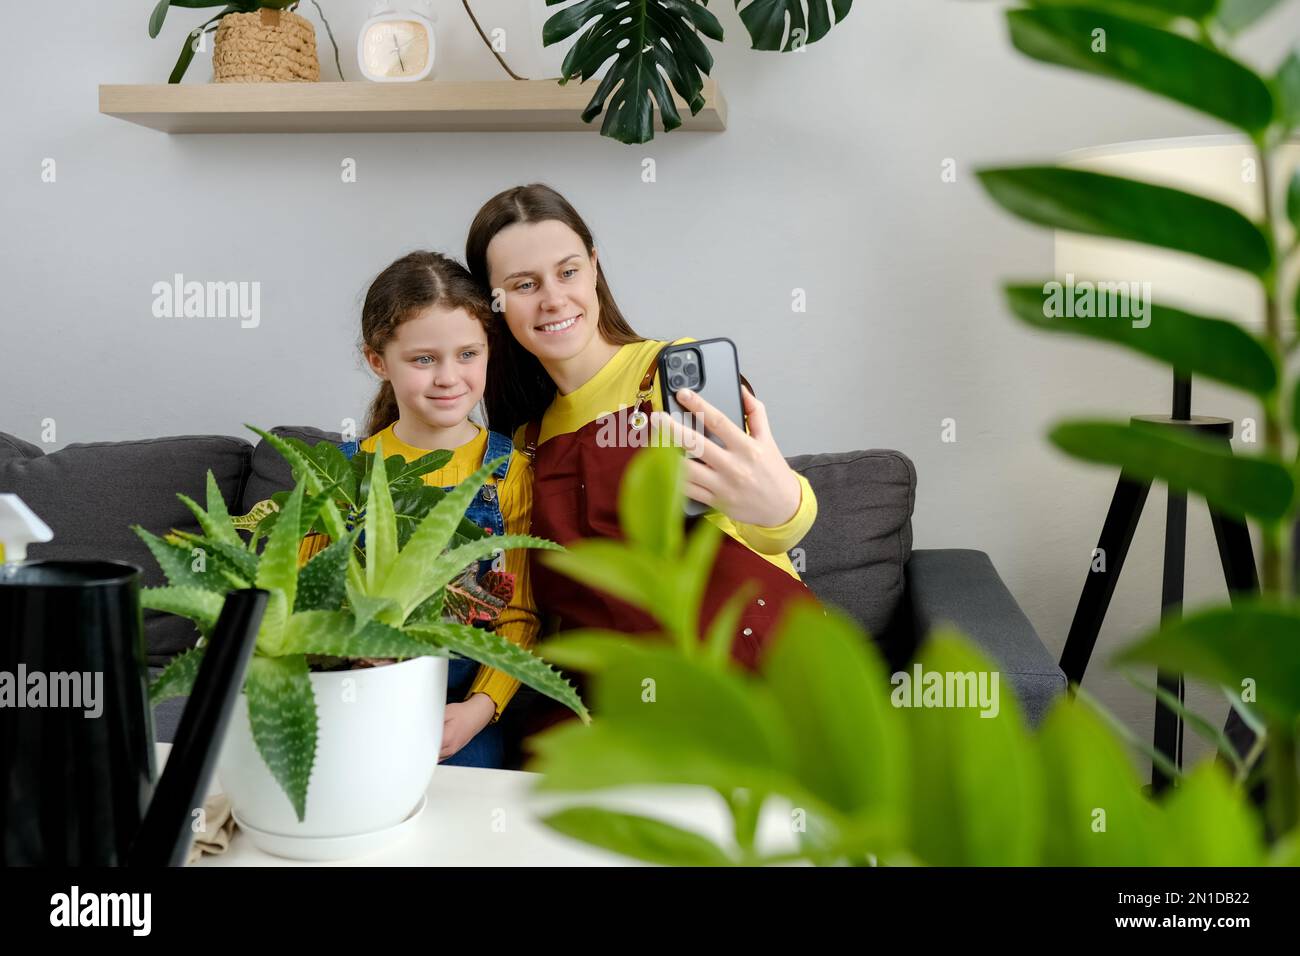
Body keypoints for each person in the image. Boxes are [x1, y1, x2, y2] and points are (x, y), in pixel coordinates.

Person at [465, 184, 821, 740]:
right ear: (493, 305)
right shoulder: (523, 443)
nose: (553, 299)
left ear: (594, 267)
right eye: (524, 285)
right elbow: (541, 611)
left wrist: (783, 506)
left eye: (568, 272)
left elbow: (774, 523)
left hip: (752, 669)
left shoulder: (673, 377)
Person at [298, 250, 540, 768]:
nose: (449, 377)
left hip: (461, 713)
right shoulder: (340, 473)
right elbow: (300, 598)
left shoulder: (509, 473)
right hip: (355, 700)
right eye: (423, 359)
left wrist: (480, 708)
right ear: (378, 361)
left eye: (468, 354)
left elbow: (519, 615)